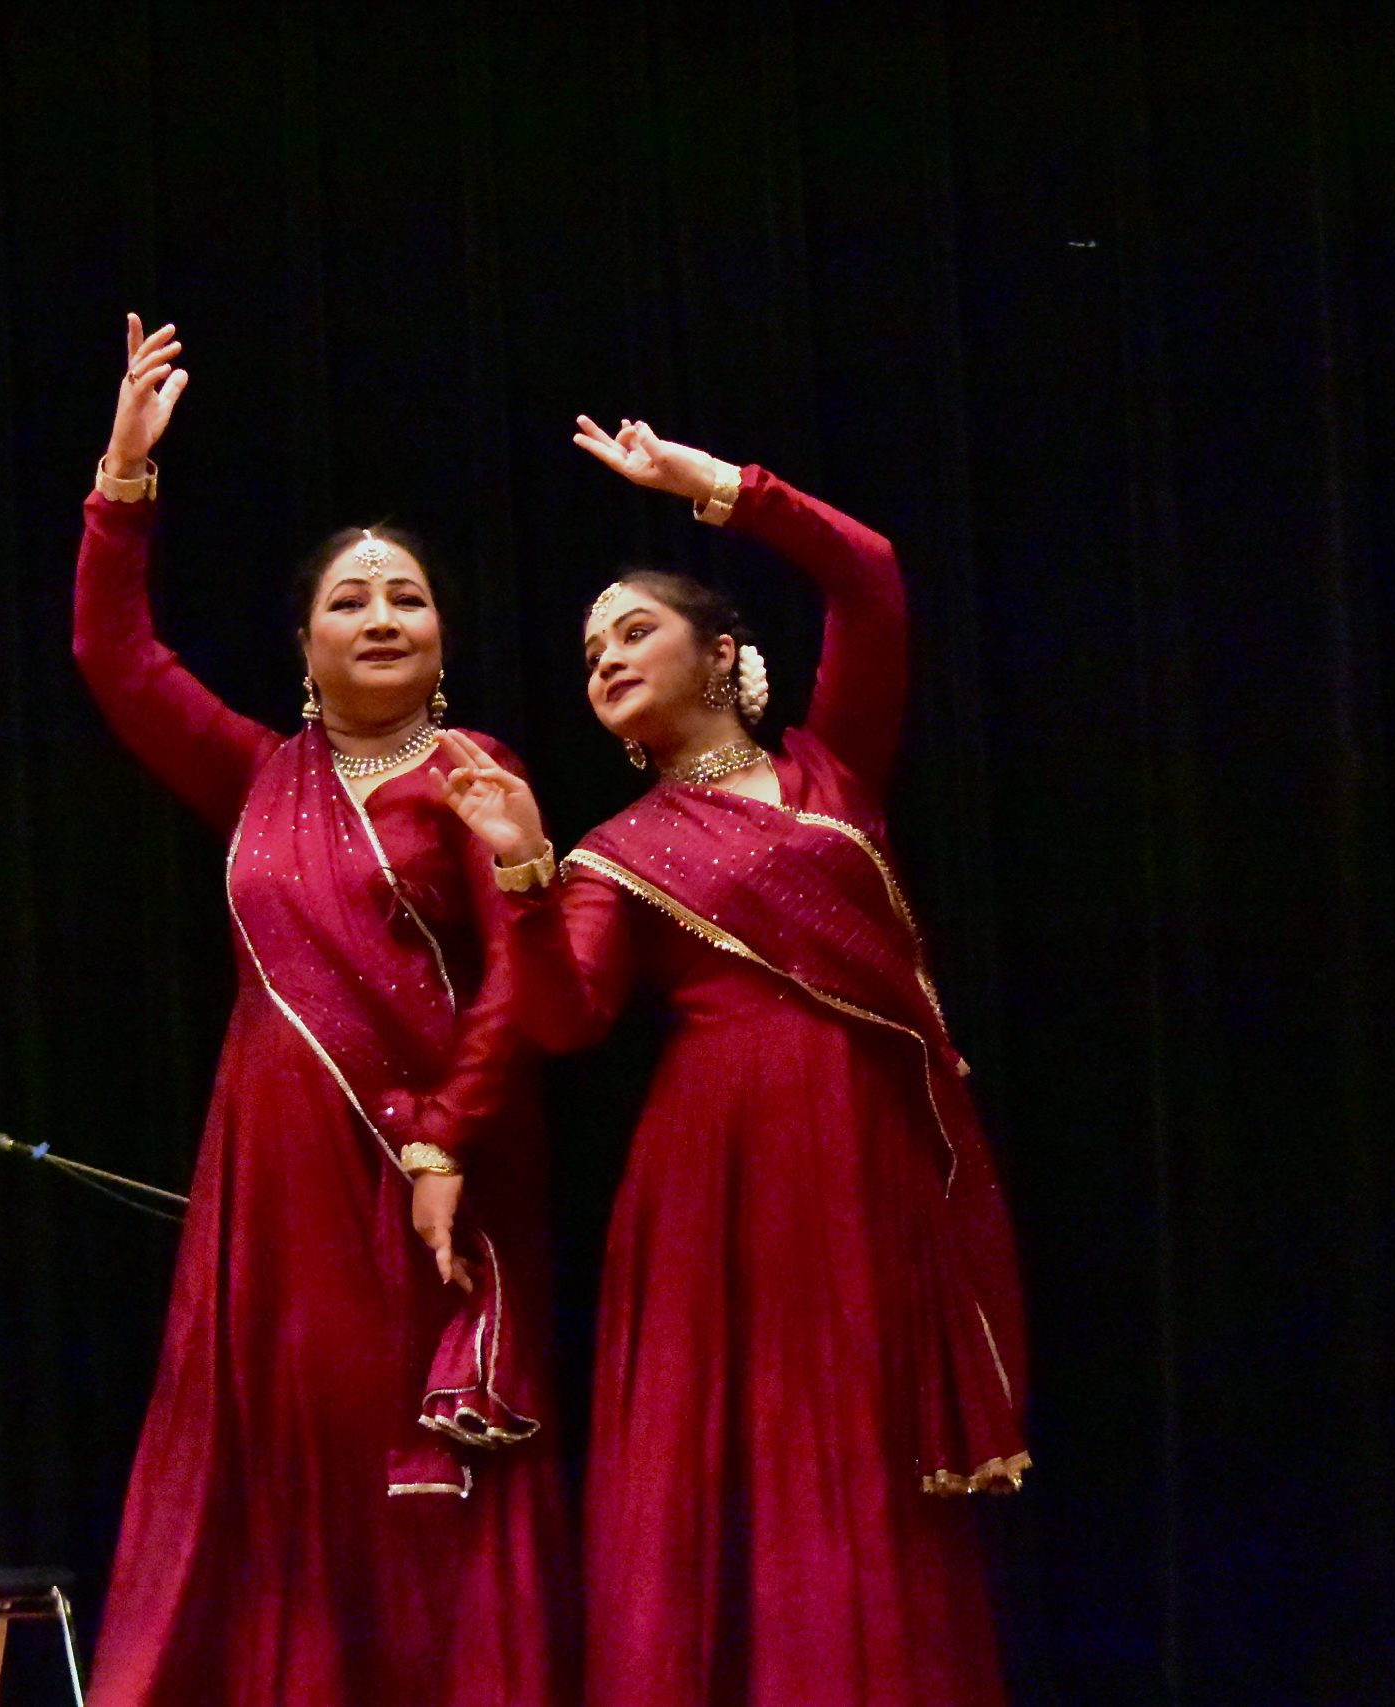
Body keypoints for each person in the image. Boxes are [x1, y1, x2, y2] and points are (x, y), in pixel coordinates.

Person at [437, 417, 1028, 1705]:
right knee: (730, 1452)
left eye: (631, 630)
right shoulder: (617, 851)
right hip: (716, 1179)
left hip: (867, 1155)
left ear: (721, 654)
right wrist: (526, 872)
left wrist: (719, 488)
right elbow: (564, 1022)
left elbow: (869, 576)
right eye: (589, 653)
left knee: (869, 1453)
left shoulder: (831, 766)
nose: (604, 659)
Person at [70, 315, 573, 1706]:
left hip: (430, 1173)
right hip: (276, 1179)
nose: (383, 618)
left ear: (444, 635)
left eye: (407, 597)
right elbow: (115, 656)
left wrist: (449, 1141)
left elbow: (523, 976)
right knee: (280, 1447)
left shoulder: (474, 771)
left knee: (405, 1459)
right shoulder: (256, 778)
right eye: (351, 601)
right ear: (303, 643)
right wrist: (124, 478)